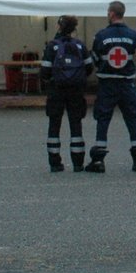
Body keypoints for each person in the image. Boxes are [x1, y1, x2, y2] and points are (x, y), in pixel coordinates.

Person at [88, 0, 136, 173]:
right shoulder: (133, 35)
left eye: (108, 11)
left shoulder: (101, 35)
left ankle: (98, 160)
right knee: (132, 118)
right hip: (127, 82)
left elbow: (95, 59)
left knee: (103, 119)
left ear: (112, 13)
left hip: (107, 84)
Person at [39, 15, 91, 172]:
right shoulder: (80, 45)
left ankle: (55, 162)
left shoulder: (52, 46)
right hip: (76, 91)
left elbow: (45, 71)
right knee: (76, 125)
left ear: (59, 27)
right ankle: (78, 163)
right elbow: (89, 68)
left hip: (56, 90)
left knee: (54, 125)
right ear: (74, 28)